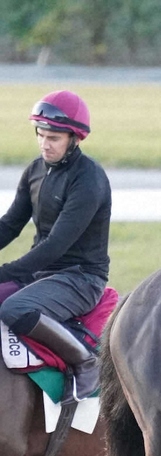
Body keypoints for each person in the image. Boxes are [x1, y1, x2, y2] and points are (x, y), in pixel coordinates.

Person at [0, 90, 111, 403]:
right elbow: (9, 224)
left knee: (15, 308)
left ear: (74, 138)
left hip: (81, 278)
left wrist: (5, 272)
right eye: (41, 135)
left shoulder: (89, 179)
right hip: (42, 274)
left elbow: (56, 245)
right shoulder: (35, 170)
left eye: (53, 138)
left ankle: (85, 363)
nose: (44, 144)